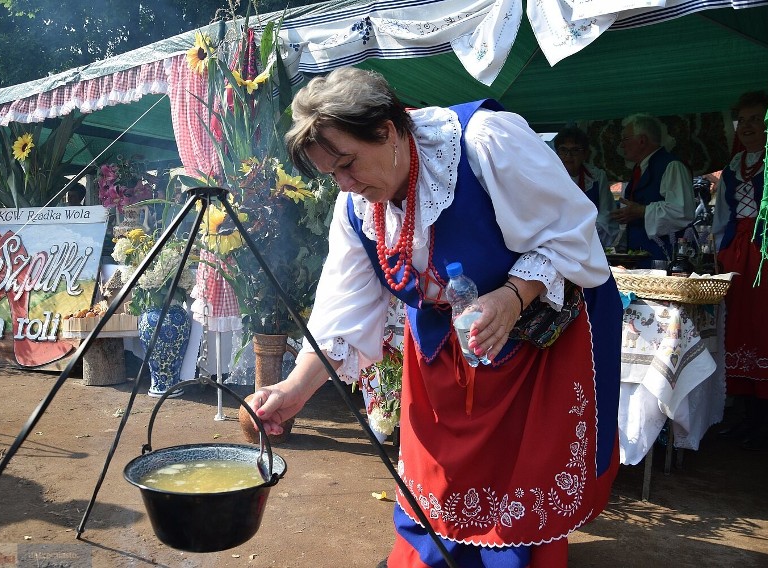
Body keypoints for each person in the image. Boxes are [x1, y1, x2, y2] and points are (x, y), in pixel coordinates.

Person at [249, 67, 622, 567]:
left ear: (387, 130)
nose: (344, 184)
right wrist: (293, 391)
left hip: (525, 351)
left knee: (513, 496)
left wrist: (512, 296)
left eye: (347, 164)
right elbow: (344, 310)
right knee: (434, 494)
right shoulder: (358, 206)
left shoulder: (485, 143)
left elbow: (572, 234)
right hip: (439, 362)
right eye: (331, 173)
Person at [712, 90, 768, 450]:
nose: (746, 127)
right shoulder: (733, 166)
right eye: (741, 120)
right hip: (739, 256)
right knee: (739, 330)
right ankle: (747, 417)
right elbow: (723, 216)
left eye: (755, 119)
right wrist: (722, 252)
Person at [610, 113, 695, 266]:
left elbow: (681, 212)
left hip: (664, 259)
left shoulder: (671, 166)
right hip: (639, 257)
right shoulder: (639, 169)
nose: (622, 145)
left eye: (625, 139)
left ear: (642, 140)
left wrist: (641, 211)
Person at [553, 126, 618, 248]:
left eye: (575, 150)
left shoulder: (596, 177)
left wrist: (583, 235)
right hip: (557, 244)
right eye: (563, 150)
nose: (568, 155)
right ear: (557, 153)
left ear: (585, 154)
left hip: (591, 243)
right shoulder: (548, 178)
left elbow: (606, 215)